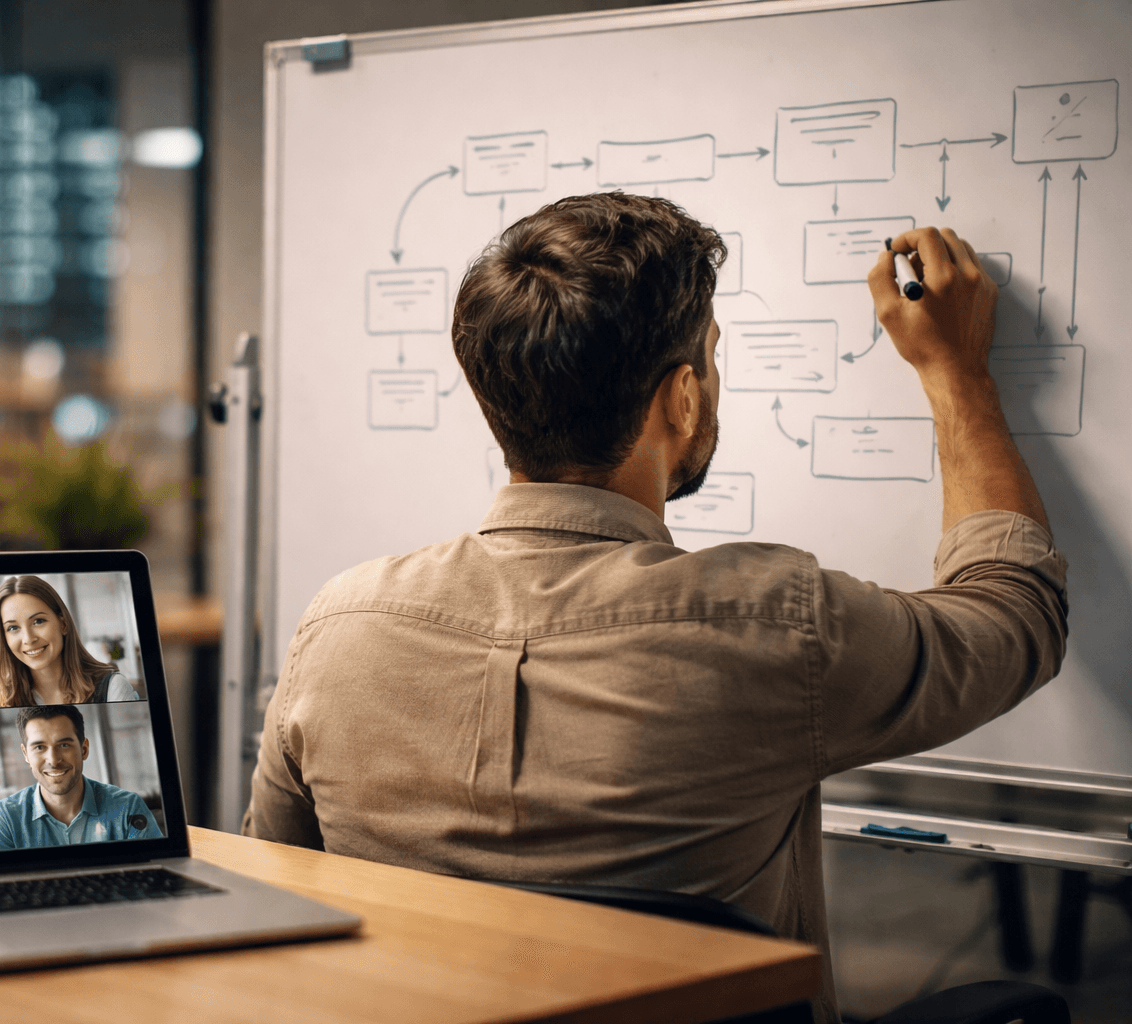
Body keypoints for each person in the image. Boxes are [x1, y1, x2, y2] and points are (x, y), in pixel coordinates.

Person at [240, 194, 1067, 1024]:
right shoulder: (776, 625)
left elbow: (271, 898)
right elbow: (1015, 614)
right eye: (711, 356)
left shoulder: (338, 627)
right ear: (683, 397)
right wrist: (956, 374)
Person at [0, 705, 162, 850]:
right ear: (26, 755)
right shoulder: (4, 818)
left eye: (64, 745)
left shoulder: (128, 808)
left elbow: (152, 872)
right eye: (39, 747)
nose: (53, 760)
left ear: (84, 749)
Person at [0, 575, 139, 707]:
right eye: (13, 628)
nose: (28, 639)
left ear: (63, 624)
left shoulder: (111, 688)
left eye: (38, 621)